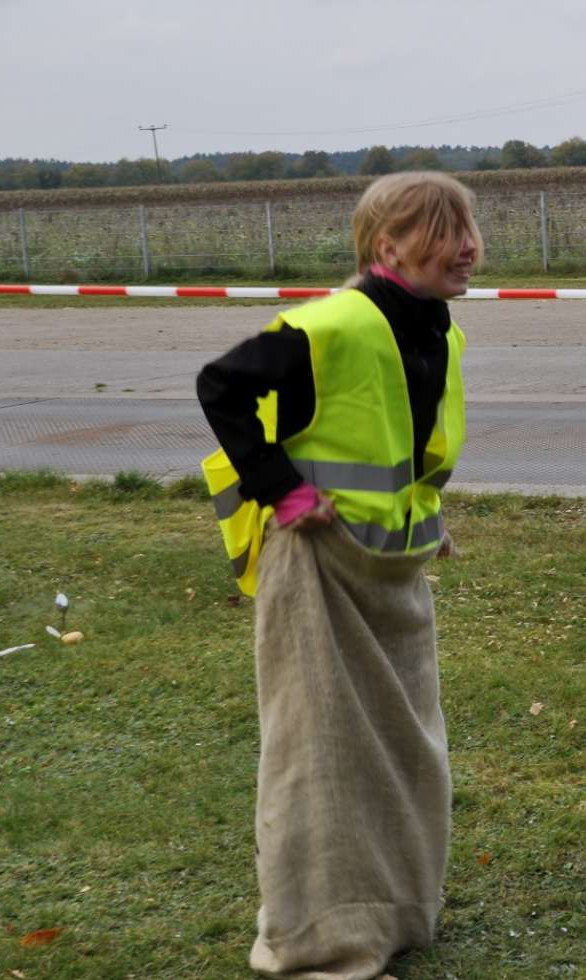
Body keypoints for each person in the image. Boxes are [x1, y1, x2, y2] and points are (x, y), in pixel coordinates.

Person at [196, 171, 480, 979]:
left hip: (392, 574)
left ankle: (395, 909)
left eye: (466, 228)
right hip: (320, 569)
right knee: (320, 756)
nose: (466, 246)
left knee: (402, 749)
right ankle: (320, 943)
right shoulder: (334, 325)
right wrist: (281, 489)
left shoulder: (436, 328)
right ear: (387, 246)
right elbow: (221, 386)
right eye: (442, 229)